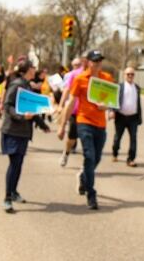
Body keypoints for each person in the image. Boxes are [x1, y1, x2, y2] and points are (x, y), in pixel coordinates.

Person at [59, 50, 114, 210]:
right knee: (89, 157)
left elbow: (112, 100)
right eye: (95, 60)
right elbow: (71, 102)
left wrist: (108, 107)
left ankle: (83, 177)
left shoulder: (107, 78)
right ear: (88, 62)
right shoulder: (80, 79)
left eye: (100, 60)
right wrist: (62, 125)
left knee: (96, 159)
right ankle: (91, 194)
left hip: (101, 124)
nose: (98, 63)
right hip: (84, 121)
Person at [1, 59, 51, 213]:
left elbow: (32, 108)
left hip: (23, 132)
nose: (34, 70)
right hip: (12, 131)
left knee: (18, 164)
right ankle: (7, 198)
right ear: (27, 70)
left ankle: (14, 192)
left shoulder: (27, 85)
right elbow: (7, 106)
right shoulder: (17, 84)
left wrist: (43, 125)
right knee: (14, 163)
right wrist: (22, 117)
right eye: (32, 68)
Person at [56, 57, 86, 167]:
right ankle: (66, 153)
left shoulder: (97, 74)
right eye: (76, 64)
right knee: (72, 137)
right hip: (74, 109)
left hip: (88, 113)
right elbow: (66, 90)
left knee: (87, 137)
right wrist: (61, 105)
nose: (78, 66)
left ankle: (87, 164)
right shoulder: (73, 75)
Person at [112, 67, 141, 167]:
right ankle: (115, 152)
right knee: (117, 138)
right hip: (120, 116)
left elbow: (138, 103)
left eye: (132, 74)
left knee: (133, 138)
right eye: (128, 74)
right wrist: (112, 111)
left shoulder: (137, 87)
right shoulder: (119, 86)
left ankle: (131, 159)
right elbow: (114, 100)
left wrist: (139, 117)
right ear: (124, 75)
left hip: (133, 118)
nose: (130, 76)